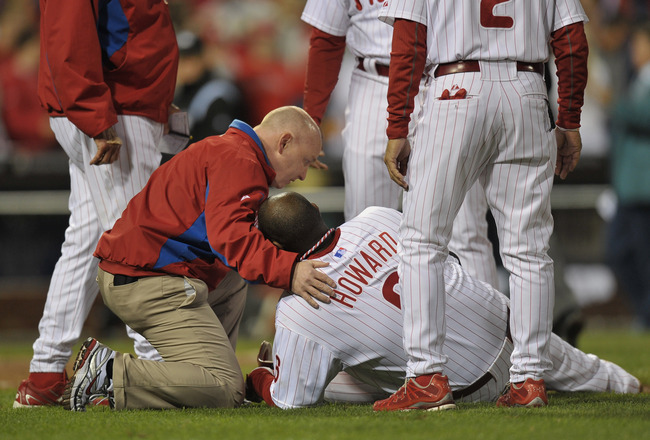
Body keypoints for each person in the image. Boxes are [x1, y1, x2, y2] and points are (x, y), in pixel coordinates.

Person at [376, 0, 589, 410]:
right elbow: (572, 41)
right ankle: (529, 379)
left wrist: (396, 125)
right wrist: (571, 120)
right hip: (526, 90)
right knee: (528, 250)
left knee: (422, 241)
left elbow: (409, 41)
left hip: (456, 91)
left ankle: (426, 376)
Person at [244, 192, 643, 409]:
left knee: (324, 375)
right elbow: (447, 262)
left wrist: (259, 378)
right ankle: (627, 386)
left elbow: (292, 401)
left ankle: (279, 362)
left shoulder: (297, 308)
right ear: (316, 210)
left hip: (464, 388)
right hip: (520, 340)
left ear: (275, 246)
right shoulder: (377, 216)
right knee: (601, 376)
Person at [60, 106, 337, 411]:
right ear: (283, 143)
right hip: (144, 278)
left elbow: (228, 244)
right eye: (306, 161)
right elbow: (230, 239)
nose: (303, 173)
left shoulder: (234, 151)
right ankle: (109, 371)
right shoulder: (239, 160)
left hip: (149, 271)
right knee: (226, 388)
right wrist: (290, 270)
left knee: (233, 279)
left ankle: (209, 377)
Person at [14, 0, 180, 409]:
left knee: (87, 240)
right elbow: (69, 35)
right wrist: (94, 112)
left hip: (120, 102)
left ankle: (46, 374)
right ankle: (159, 368)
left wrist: (157, 98)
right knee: (135, 239)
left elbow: (137, 30)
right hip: (112, 107)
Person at [300, 0, 498, 287]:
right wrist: (311, 120)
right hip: (373, 82)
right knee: (365, 229)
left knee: (465, 229)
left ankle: (481, 330)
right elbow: (326, 38)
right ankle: (373, 330)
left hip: (446, 79)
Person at [606, 22, 650, 331]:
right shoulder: (639, 79)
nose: (634, 51)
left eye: (639, 43)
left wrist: (614, 103)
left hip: (644, 187)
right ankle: (645, 313)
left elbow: (642, 116)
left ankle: (647, 317)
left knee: (645, 259)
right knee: (618, 252)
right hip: (629, 186)